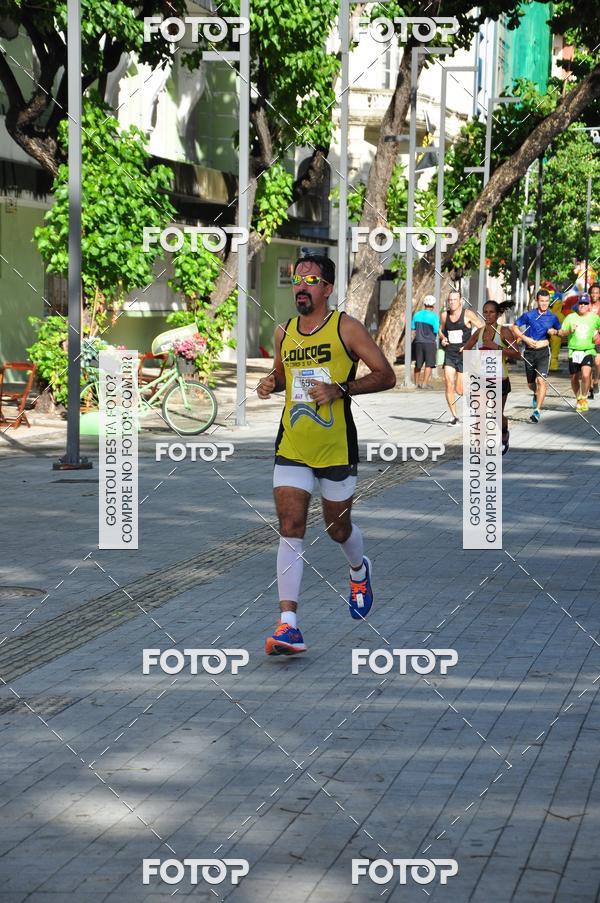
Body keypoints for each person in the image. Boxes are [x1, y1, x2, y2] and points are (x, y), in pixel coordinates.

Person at [257, 255, 396, 656]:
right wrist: (270, 382)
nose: (301, 286)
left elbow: (385, 375)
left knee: (338, 529)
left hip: (335, 446)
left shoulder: (345, 327)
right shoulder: (284, 331)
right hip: (292, 445)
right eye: (296, 280)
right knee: (290, 526)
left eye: (311, 280)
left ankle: (358, 570)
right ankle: (288, 625)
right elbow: (282, 375)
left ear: (327, 288)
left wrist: (340, 388)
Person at [462, 300, 521, 455]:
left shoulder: (504, 332)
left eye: (491, 312)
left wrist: (498, 347)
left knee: (495, 415)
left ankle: (504, 435)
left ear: (497, 314)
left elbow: (517, 354)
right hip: (481, 379)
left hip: (499, 379)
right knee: (479, 415)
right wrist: (470, 368)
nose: (488, 315)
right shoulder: (479, 332)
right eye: (485, 312)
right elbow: (466, 350)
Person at [512, 288, 561, 422]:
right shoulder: (529, 315)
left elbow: (560, 331)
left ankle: (537, 411)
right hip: (529, 352)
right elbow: (514, 327)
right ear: (537, 301)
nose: (544, 304)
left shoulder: (552, 317)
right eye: (542, 301)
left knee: (541, 380)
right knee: (530, 384)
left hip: (544, 352)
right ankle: (536, 393)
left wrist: (554, 332)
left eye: (546, 301)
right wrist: (525, 339)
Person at [550, 295, 600, 413]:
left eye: (585, 303)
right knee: (573, 378)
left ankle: (584, 397)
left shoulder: (594, 318)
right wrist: (569, 330)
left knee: (586, 375)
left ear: (589, 306)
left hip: (588, 350)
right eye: (581, 303)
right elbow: (561, 333)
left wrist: (597, 334)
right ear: (577, 305)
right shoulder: (570, 317)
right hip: (574, 351)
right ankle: (578, 398)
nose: (582, 306)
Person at [438, 290, 482, 425]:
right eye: (450, 300)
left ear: (461, 301)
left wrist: (469, 344)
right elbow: (440, 330)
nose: (451, 303)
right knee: (449, 385)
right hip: (450, 353)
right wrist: (443, 338)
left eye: (454, 300)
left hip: (464, 354)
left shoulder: (467, 314)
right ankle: (454, 416)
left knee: (460, 389)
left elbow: (482, 328)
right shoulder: (445, 315)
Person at [411, 294, 439, 389]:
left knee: (418, 364)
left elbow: (413, 327)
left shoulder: (417, 314)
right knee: (429, 363)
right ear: (433, 306)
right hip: (430, 343)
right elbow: (436, 330)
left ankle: (415, 383)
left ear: (424, 304)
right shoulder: (434, 317)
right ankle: (424, 384)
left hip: (418, 342)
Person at [590, 283, 600, 397]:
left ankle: (596, 381)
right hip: (586, 339)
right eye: (593, 292)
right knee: (588, 363)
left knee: (597, 362)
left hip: (598, 339)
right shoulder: (586, 305)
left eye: (597, 292)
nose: (594, 295)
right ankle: (589, 385)